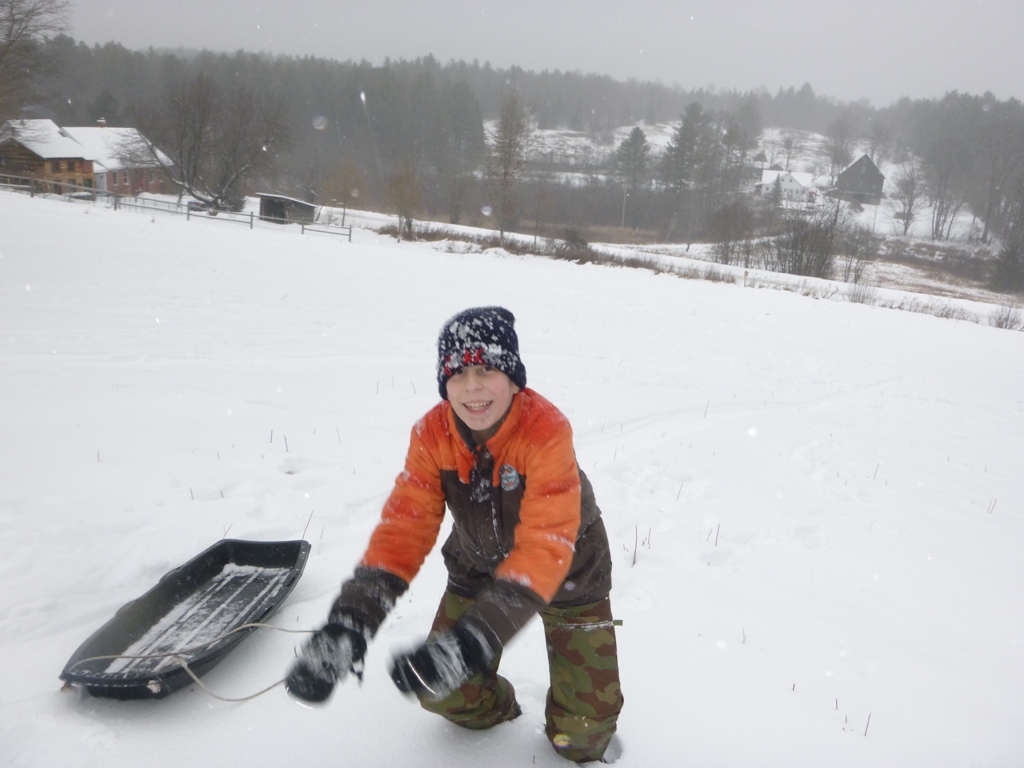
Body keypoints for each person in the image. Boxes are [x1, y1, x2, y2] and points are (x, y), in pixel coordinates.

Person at [285, 306, 623, 763]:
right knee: (441, 691)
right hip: (479, 567)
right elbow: (404, 530)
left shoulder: (545, 431)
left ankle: (572, 717)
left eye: (487, 370)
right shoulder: (432, 434)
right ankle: (501, 707)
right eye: (458, 373)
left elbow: (545, 545)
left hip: (571, 578)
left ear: (514, 379)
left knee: (581, 737)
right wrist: (350, 621)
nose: (472, 387)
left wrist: (471, 643)